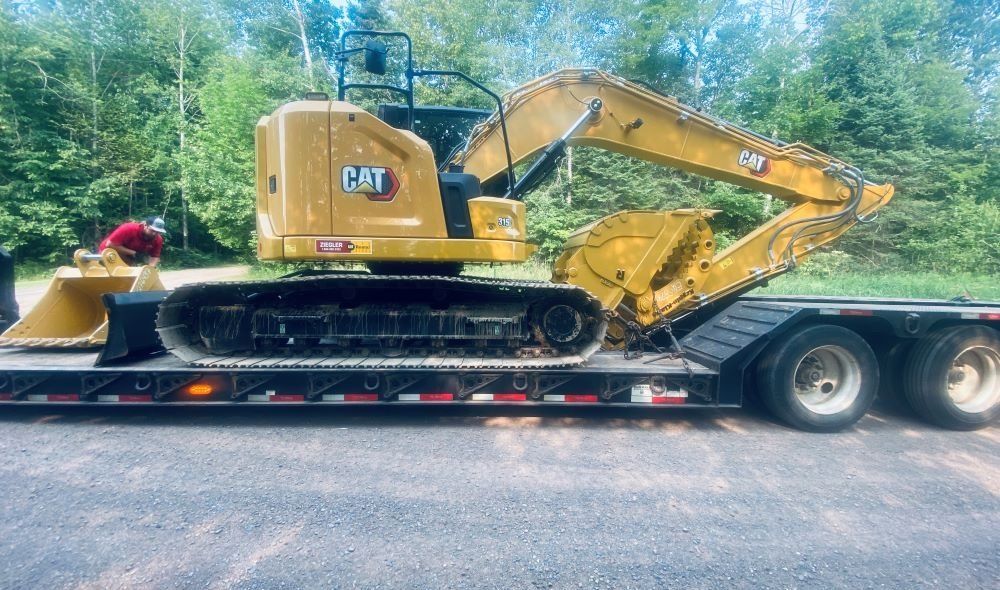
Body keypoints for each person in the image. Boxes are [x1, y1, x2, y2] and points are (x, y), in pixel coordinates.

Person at [98, 216, 167, 267]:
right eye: (152, 230)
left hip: (128, 256)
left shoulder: (158, 239)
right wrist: (134, 253)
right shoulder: (128, 228)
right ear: (145, 225)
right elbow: (110, 244)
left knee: (128, 277)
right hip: (108, 251)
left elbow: (155, 257)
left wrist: (150, 269)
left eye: (158, 232)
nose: (154, 234)